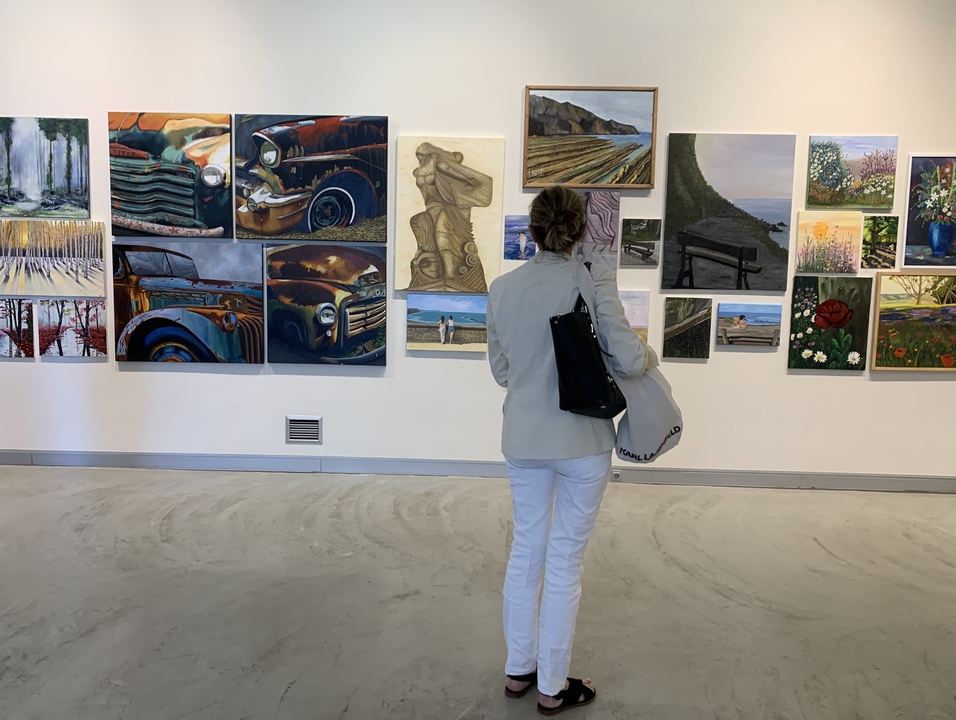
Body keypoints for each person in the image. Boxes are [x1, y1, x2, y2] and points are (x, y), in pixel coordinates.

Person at [486, 185, 656, 715]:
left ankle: (519, 670)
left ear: (532, 231)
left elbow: (501, 372)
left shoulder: (502, 288)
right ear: (580, 230)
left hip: (523, 438)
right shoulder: (590, 277)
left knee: (525, 550)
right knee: (563, 562)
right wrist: (648, 355)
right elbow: (629, 359)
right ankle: (553, 686)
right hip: (581, 440)